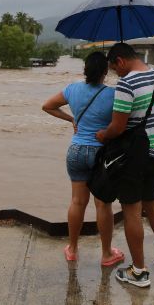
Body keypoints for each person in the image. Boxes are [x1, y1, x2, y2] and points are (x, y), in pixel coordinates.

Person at [96, 43, 154, 288]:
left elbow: (118, 126)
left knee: (132, 211)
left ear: (120, 61)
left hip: (133, 157)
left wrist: (103, 135)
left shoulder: (127, 83)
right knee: (152, 204)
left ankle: (139, 272)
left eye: (115, 69)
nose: (116, 75)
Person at [42, 51, 125, 267]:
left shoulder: (73, 89)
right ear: (105, 72)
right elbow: (121, 125)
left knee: (77, 202)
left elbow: (48, 106)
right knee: (103, 205)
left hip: (76, 150)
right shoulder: (114, 94)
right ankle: (107, 254)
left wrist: (72, 119)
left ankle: (72, 249)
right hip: (100, 154)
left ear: (85, 70)